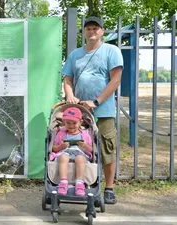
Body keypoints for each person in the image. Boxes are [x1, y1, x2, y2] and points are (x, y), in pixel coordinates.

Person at [62, 16, 123, 204]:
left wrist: (96, 102)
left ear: (102, 31)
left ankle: (109, 188)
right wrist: (70, 96)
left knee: (106, 148)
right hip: (79, 112)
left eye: (96, 28)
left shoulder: (111, 51)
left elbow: (115, 80)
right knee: (79, 146)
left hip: (103, 110)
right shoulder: (75, 55)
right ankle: (82, 183)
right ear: (84, 32)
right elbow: (67, 80)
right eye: (88, 28)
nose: (92, 31)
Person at [50, 107, 93, 196]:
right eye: (68, 123)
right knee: (63, 157)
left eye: (74, 123)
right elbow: (53, 148)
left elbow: (92, 149)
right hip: (65, 152)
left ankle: (80, 183)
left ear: (80, 122)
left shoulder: (85, 134)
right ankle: (63, 182)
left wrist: (84, 146)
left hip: (80, 153)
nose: (71, 125)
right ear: (64, 122)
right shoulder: (61, 133)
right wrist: (61, 146)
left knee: (80, 159)